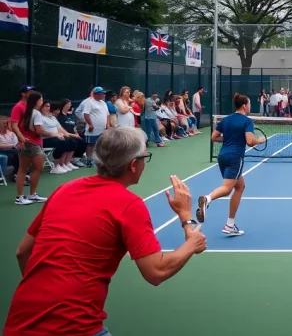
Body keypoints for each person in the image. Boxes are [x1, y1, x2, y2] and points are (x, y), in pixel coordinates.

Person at [2, 127, 207, 336]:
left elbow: (23, 252)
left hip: (19, 321)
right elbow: (156, 272)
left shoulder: (64, 189)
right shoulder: (129, 205)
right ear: (133, 165)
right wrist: (192, 243)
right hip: (74, 326)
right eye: (145, 157)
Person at [196, 93, 265, 235]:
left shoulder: (225, 120)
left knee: (240, 186)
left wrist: (228, 139)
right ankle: (207, 199)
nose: (250, 106)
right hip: (235, 158)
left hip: (223, 156)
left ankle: (230, 224)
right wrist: (260, 140)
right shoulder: (247, 121)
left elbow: (214, 137)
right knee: (227, 189)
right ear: (245, 105)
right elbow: (250, 141)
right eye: (250, 103)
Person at [9, 89, 52, 205]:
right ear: (23, 94)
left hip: (33, 142)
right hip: (30, 143)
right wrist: (21, 138)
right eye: (29, 91)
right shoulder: (19, 107)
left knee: (31, 168)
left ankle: (31, 195)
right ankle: (21, 197)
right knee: (31, 168)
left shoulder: (30, 109)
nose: (31, 92)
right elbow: (14, 125)